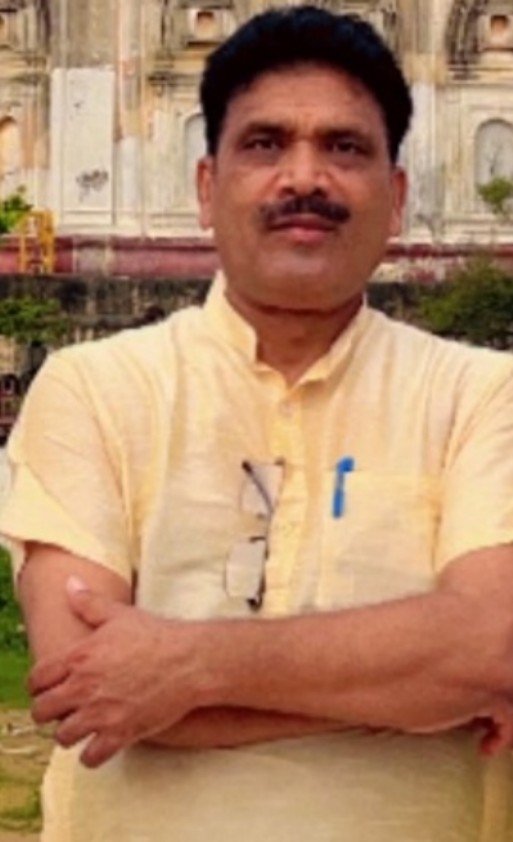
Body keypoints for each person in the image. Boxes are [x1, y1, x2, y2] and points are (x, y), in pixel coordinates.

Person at [1, 6, 513, 840]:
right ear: (206, 188)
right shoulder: (94, 388)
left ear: (395, 199)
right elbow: (85, 687)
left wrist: (183, 665)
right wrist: (420, 690)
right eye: (265, 144)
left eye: (343, 148)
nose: (303, 178)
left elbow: (492, 645)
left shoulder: (483, 394)